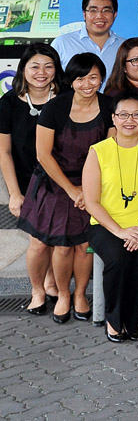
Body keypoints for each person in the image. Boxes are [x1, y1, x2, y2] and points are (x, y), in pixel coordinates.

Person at [18, 53, 112, 324]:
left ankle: (81, 293)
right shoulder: (55, 108)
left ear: (101, 79)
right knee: (57, 245)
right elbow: (44, 155)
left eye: (93, 77)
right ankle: (61, 294)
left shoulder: (108, 106)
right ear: (71, 80)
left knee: (84, 245)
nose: (86, 83)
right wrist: (72, 190)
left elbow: (108, 152)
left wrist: (88, 188)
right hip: (53, 182)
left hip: (91, 184)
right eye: (80, 78)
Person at [81, 92, 138, 342]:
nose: (130, 120)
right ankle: (114, 319)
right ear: (113, 118)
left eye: (137, 114)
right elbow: (91, 201)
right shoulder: (98, 151)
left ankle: (132, 318)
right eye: (123, 115)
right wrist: (120, 231)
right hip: (107, 224)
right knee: (118, 259)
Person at [1, 44, 62, 316]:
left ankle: (51, 281)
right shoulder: (9, 102)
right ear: (23, 69)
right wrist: (14, 193)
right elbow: (3, 151)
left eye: (48, 66)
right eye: (34, 66)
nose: (41, 72)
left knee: (55, 238)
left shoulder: (66, 99)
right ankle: (38, 289)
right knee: (39, 240)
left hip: (62, 181)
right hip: (27, 181)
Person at [52, 0, 124, 85]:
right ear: (84, 14)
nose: (99, 16)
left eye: (106, 10)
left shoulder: (125, 47)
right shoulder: (62, 44)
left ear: (114, 14)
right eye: (93, 10)